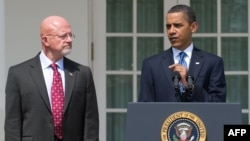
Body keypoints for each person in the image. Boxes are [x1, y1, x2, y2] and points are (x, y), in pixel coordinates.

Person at [5, 16, 99, 141]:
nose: (69, 40)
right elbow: (12, 123)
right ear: (45, 40)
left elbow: (90, 121)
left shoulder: (82, 73)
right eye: (63, 36)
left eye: (71, 35)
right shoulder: (18, 74)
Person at [138, 4, 226, 102]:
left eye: (177, 25)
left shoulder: (212, 63)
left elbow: (218, 104)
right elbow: (144, 108)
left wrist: (191, 87)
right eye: (168, 26)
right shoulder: (152, 65)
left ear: (193, 27)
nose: (171, 31)